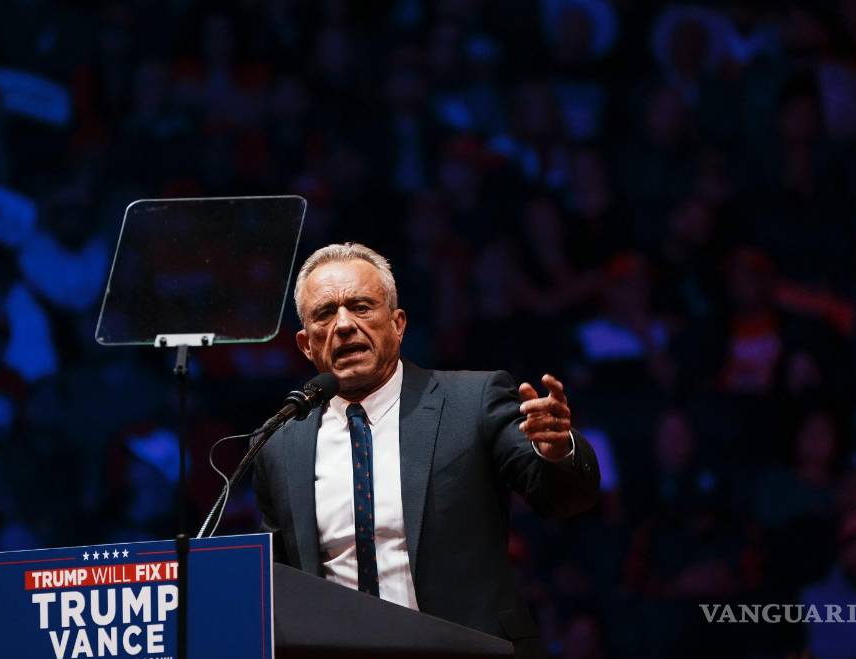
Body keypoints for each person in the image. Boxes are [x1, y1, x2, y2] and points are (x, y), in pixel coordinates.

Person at [253, 242, 601, 658]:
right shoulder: (279, 443)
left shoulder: (472, 401)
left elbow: (563, 500)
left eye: (361, 307)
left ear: (398, 324)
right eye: (325, 314)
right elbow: (278, 582)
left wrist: (557, 450)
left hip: (466, 648)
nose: (343, 325)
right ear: (306, 345)